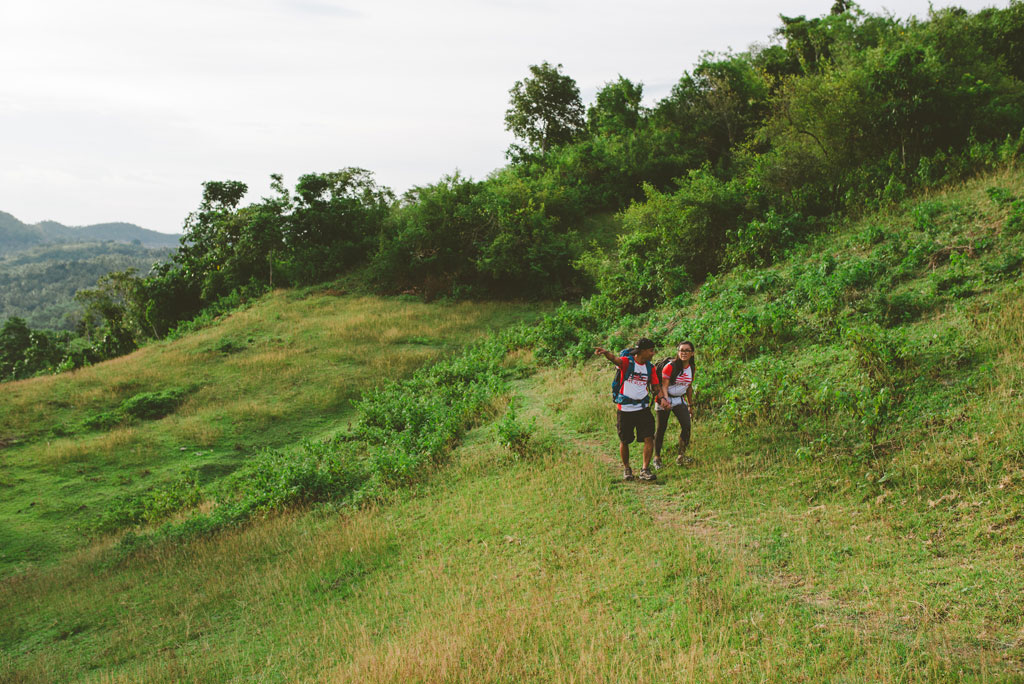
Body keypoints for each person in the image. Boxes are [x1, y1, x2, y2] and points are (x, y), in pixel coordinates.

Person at [594, 338, 669, 481]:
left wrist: (662, 399)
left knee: (649, 437)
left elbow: (655, 386)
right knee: (625, 440)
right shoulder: (628, 362)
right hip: (625, 409)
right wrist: (605, 353)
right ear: (642, 351)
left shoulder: (650, 367)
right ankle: (627, 468)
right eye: (651, 350)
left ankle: (645, 469)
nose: (653, 353)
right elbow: (616, 360)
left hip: (642, 408)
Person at [654, 340, 696, 467]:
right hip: (665, 398)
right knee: (661, 428)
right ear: (678, 352)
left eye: (687, 350)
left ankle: (681, 456)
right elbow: (664, 386)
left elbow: (689, 387)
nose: (683, 353)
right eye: (681, 350)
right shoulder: (670, 366)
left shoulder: (692, 368)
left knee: (686, 426)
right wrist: (665, 401)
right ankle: (657, 457)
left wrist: (690, 405)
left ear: (692, 353)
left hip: (679, 399)